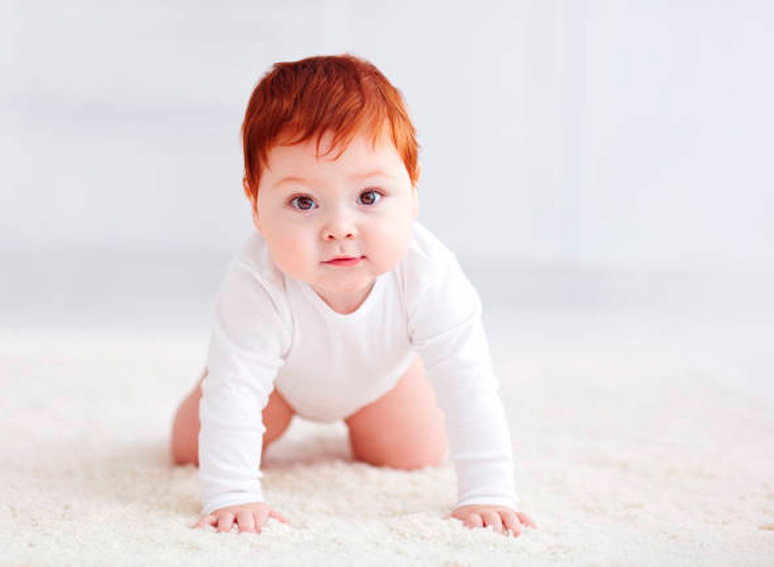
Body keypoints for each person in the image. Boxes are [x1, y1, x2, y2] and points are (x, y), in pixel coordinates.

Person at [169, 54, 536, 537]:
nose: (339, 228)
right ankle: (222, 370)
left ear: (413, 190)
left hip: (380, 379)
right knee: (191, 448)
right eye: (304, 202)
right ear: (256, 205)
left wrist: (488, 493)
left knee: (415, 454)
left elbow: (470, 384)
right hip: (276, 384)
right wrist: (233, 495)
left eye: (369, 197)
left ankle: (388, 394)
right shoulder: (256, 282)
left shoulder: (428, 273)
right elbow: (236, 396)